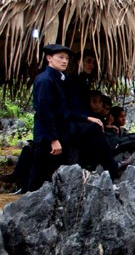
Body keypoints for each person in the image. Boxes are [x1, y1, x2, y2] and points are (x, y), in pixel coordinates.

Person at [26, 44, 120, 193]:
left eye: (66, 58)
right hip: (48, 136)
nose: (64, 61)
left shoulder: (58, 79)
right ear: (49, 58)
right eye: (61, 58)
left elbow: (64, 110)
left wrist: (88, 118)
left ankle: (110, 168)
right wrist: (53, 139)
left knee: (46, 178)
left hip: (59, 132)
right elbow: (45, 112)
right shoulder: (45, 80)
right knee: (36, 181)